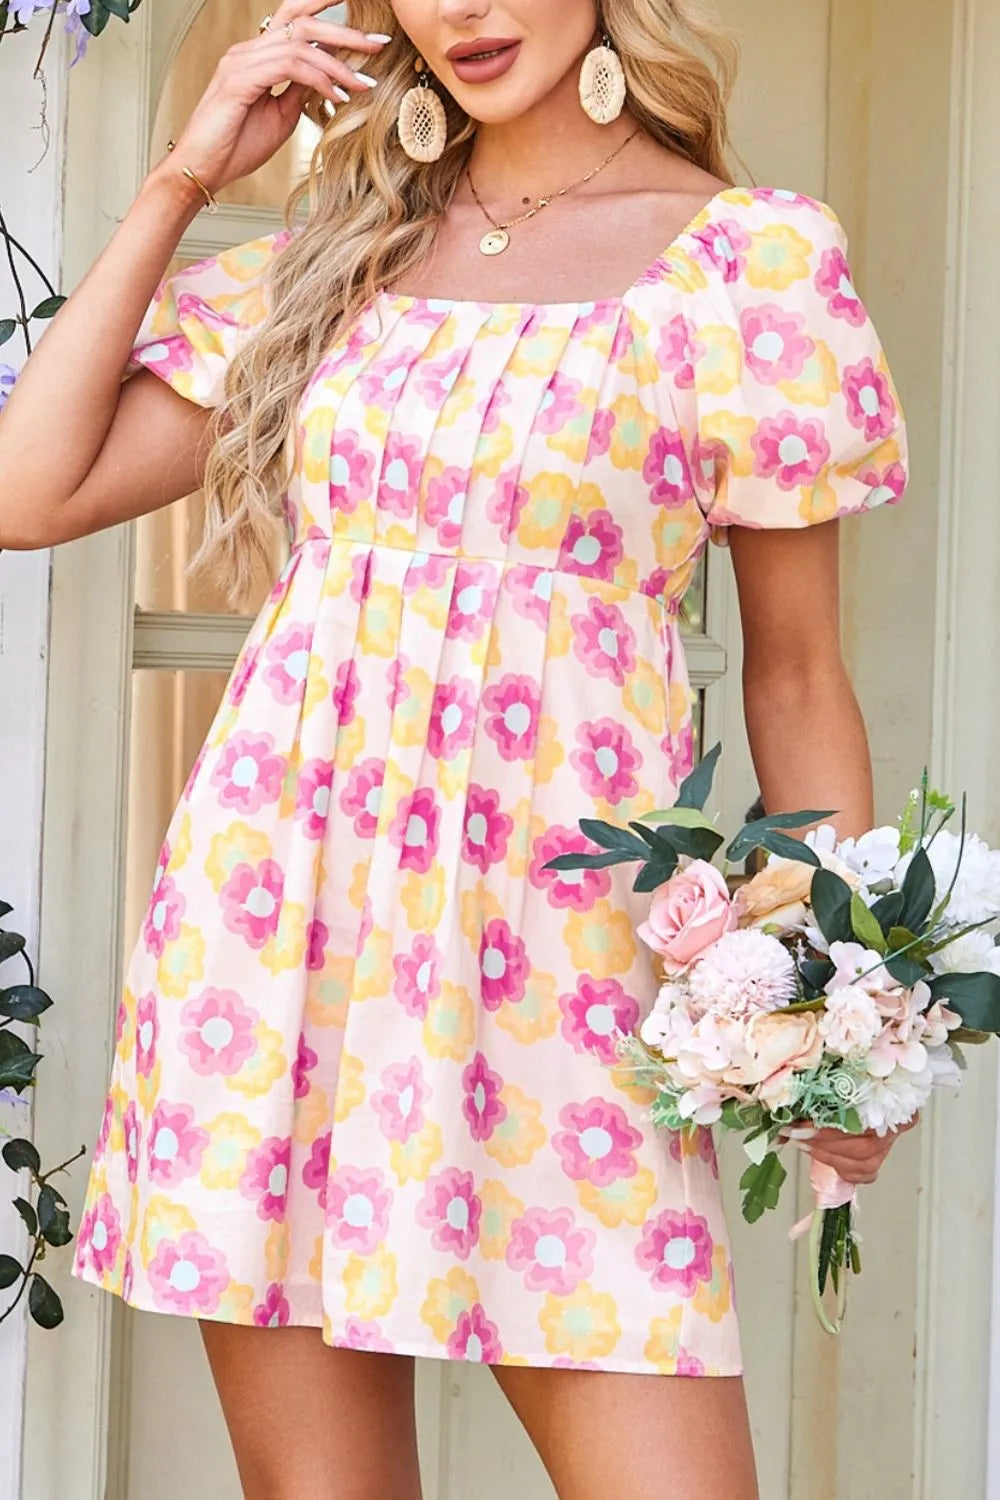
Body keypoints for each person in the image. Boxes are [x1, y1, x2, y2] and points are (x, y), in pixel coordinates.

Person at [0, 3, 914, 1496]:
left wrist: (838, 1005)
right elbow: (26, 488)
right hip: (284, 948)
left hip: (567, 968)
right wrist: (185, 172)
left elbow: (801, 674)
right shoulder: (336, 257)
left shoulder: (751, 264)